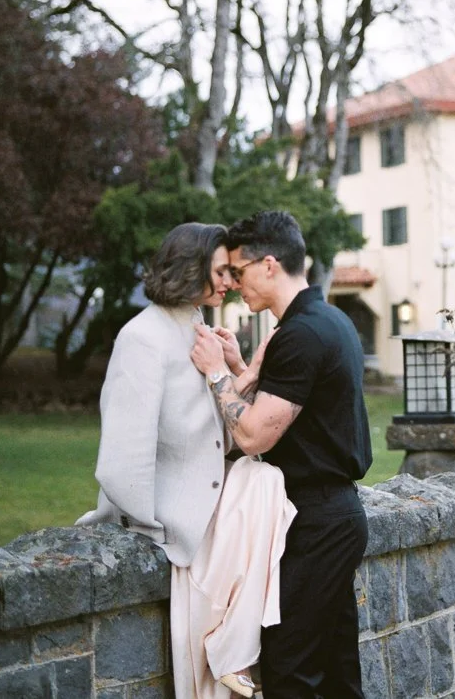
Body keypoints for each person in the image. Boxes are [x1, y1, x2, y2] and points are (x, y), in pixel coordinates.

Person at [77, 222, 296, 699]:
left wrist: (245, 372)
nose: (230, 282)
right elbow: (122, 454)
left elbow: (221, 435)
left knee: (265, 482)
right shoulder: (143, 337)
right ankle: (230, 658)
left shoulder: (200, 329)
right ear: (189, 267)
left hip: (211, 506)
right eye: (221, 271)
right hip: (173, 523)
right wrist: (156, 530)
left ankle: (234, 653)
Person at [190, 210, 372, 699]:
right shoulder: (326, 319)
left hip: (315, 522)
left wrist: (215, 374)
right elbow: (292, 417)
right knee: (336, 672)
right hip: (328, 514)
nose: (231, 282)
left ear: (269, 265)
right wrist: (242, 371)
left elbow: (252, 437)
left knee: (290, 667)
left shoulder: (302, 333)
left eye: (238, 271)